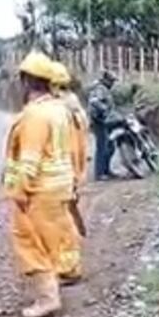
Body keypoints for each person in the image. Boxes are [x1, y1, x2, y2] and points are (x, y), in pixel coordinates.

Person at [2, 50, 81, 317]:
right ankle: (62, 276)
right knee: (53, 236)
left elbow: (29, 160)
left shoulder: (35, 115)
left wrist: (20, 191)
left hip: (40, 188)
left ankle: (48, 298)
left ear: (26, 81)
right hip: (60, 184)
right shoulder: (59, 109)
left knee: (29, 240)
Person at [50, 61, 88, 283]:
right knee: (65, 217)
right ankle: (66, 264)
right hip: (71, 169)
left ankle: (69, 268)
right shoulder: (74, 107)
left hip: (62, 171)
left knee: (61, 221)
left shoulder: (60, 108)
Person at [87, 69, 118, 181]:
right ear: (106, 80)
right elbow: (94, 102)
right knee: (102, 147)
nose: (112, 84)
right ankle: (99, 173)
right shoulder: (100, 89)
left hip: (106, 120)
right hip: (99, 121)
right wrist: (104, 110)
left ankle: (106, 170)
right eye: (111, 81)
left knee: (110, 146)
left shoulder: (105, 89)